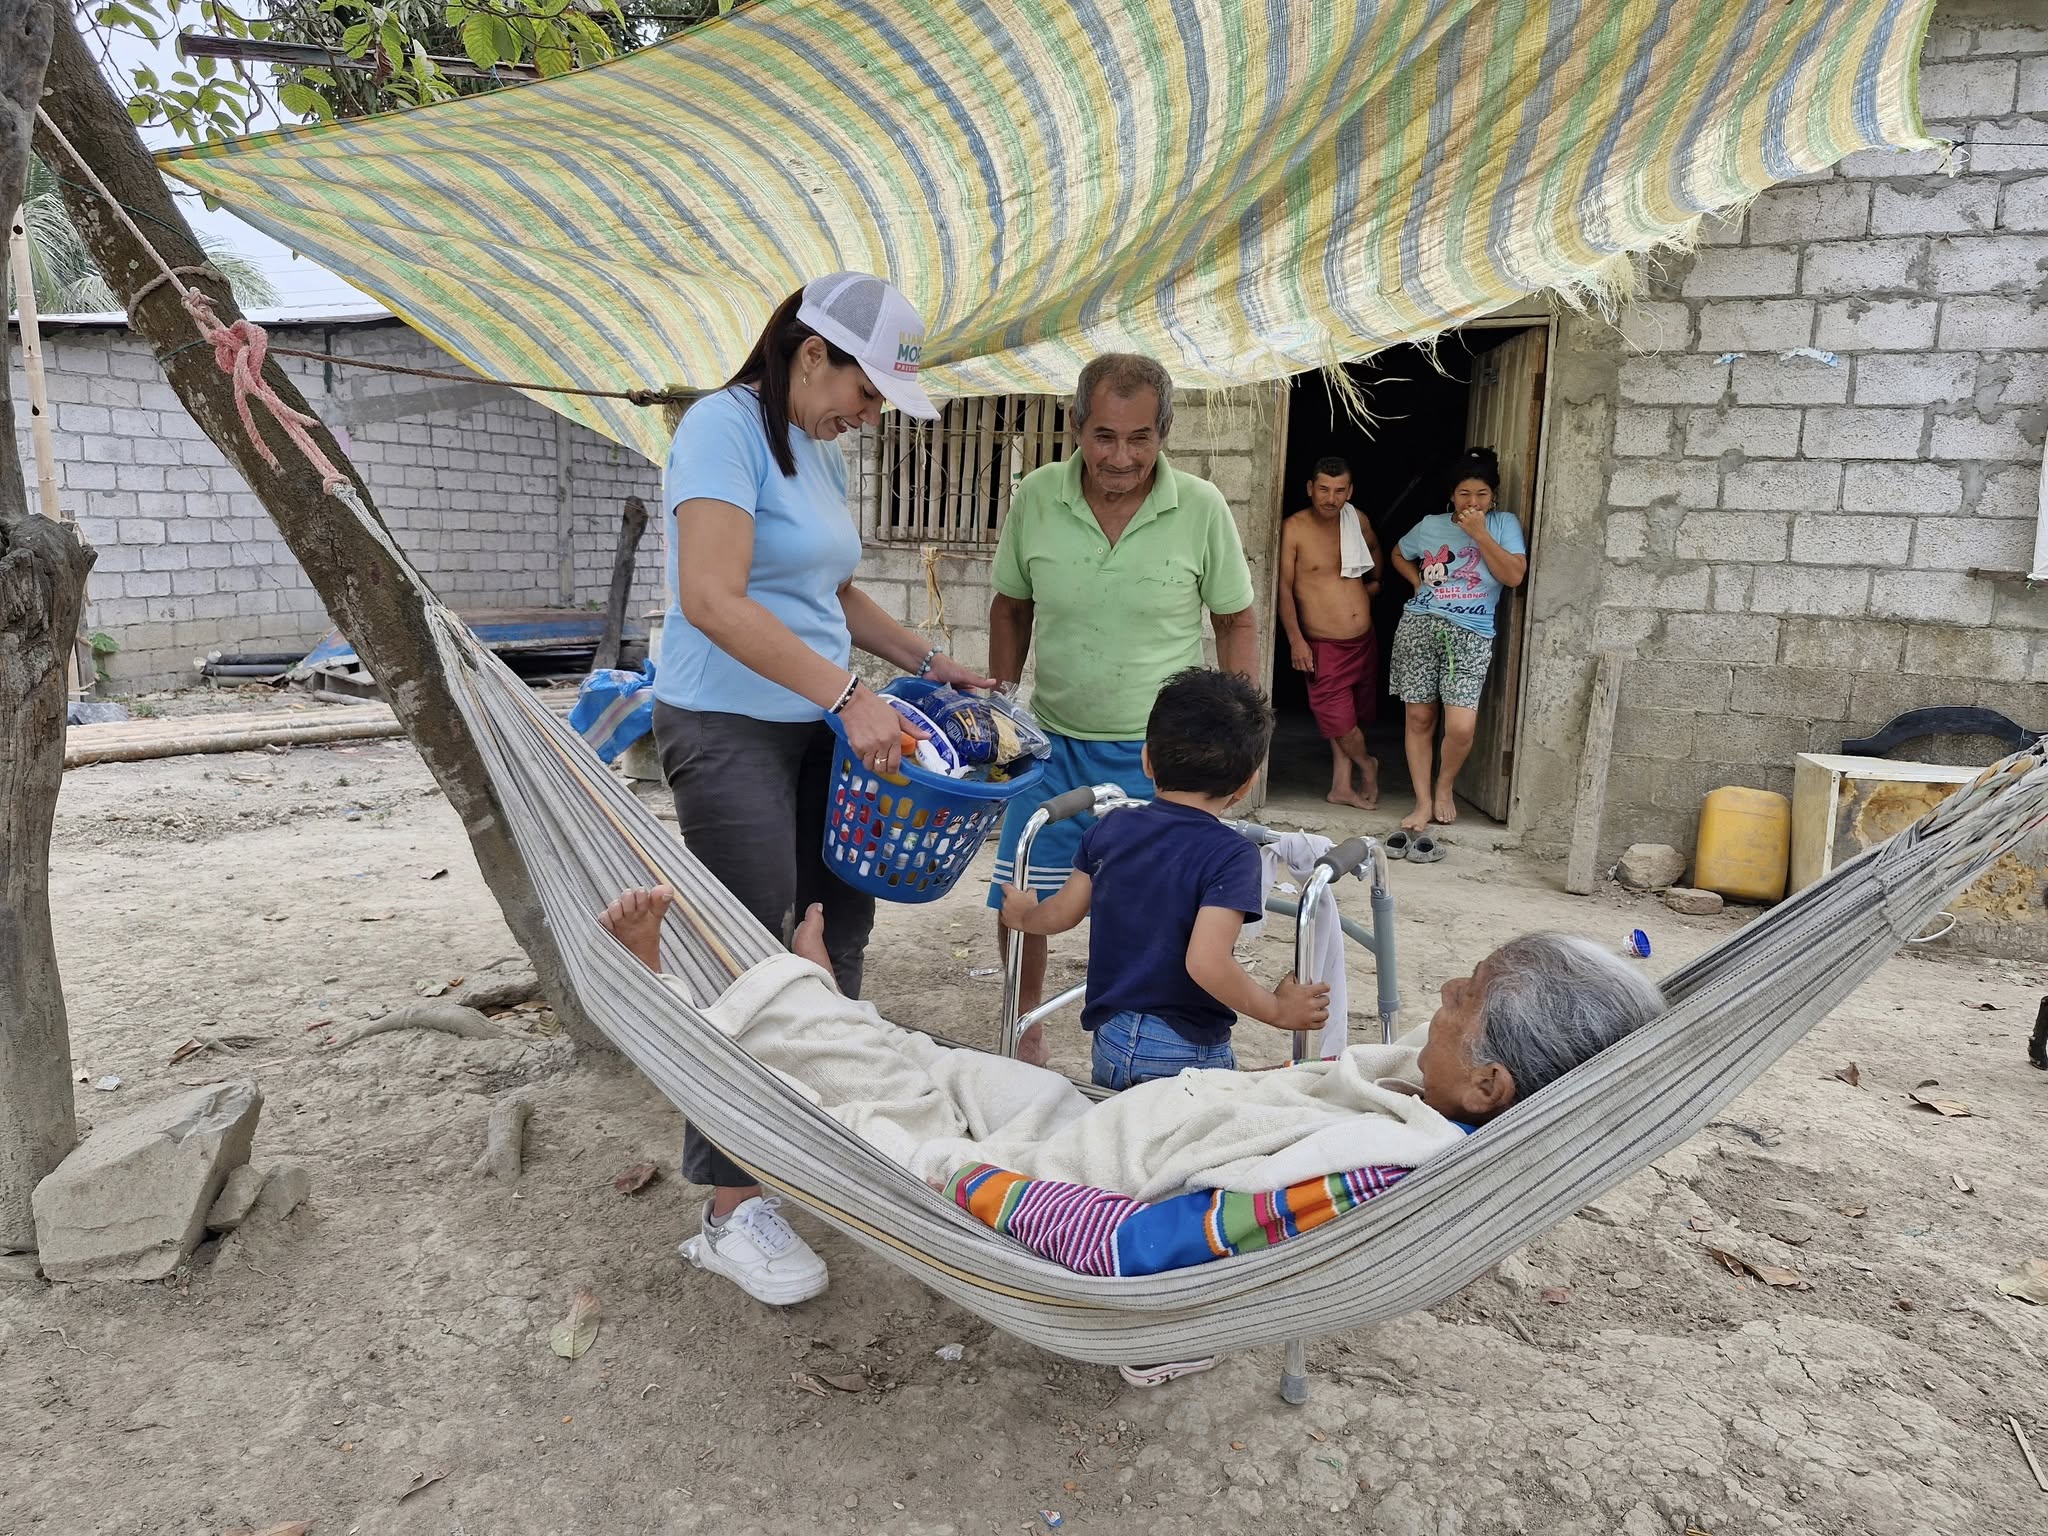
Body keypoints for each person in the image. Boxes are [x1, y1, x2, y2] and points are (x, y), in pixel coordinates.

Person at [654, 270, 994, 1306]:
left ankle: (818, 1137)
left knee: (836, 927)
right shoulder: (720, 431)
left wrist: (926, 660)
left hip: (821, 725)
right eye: (866, 390)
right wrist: (850, 694)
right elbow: (711, 599)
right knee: (752, 953)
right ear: (812, 354)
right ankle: (729, 1209)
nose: (869, 413)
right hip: (728, 725)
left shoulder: (816, 445)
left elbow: (830, 589)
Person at [986, 354, 1259, 1064]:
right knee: (1022, 890)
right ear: (1076, 426)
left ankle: (1155, 1042)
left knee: (1164, 909)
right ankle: (1024, 1027)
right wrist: (1000, 710)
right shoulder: (1037, 497)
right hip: (1051, 744)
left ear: (1164, 433)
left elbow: (1236, 620)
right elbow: (1011, 607)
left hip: (1162, 758)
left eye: (1140, 438)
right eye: (1103, 436)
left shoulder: (1200, 506)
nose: (1120, 457)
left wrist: (1243, 735)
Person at [999, 669, 1329, 1089]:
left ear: (1147, 760)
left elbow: (1061, 914)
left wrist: (1024, 916)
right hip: (1186, 1049)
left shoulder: (1111, 827)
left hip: (1111, 1038)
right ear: (1246, 785)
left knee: (1119, 1120)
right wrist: (1277, 1010)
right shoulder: (1233, 855)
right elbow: (1206, 962)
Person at [1386, 447, 1528, 836]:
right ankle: (1422, 801)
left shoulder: (1503, 524)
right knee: (1419, 718)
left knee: (1461, 727)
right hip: (1419, 628)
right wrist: (1416, 582)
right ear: (1452, 495)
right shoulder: (1430, 525)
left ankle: (1444, 786)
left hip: (1471, 635)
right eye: (1464, 493)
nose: (1472, 502)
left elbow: (1514, 576)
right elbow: (1398, 553)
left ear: (1493, 496)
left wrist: (1479, 534)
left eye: (1481, 494)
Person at [1278, 455, 1387, 810]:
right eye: (1323, 489)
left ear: (1350, 491)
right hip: (1323, 644)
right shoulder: (1294, 528)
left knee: (1353, 716)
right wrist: (1296, 640)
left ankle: (1341, 787)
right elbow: (1283, 589)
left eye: (1340, 491)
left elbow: (1374, 548)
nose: (1331, 498)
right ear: (1310, 488)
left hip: (1363, 640)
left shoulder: (1356, 519)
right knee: (1340, 722)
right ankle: (1367, 764)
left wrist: (1375, 583)